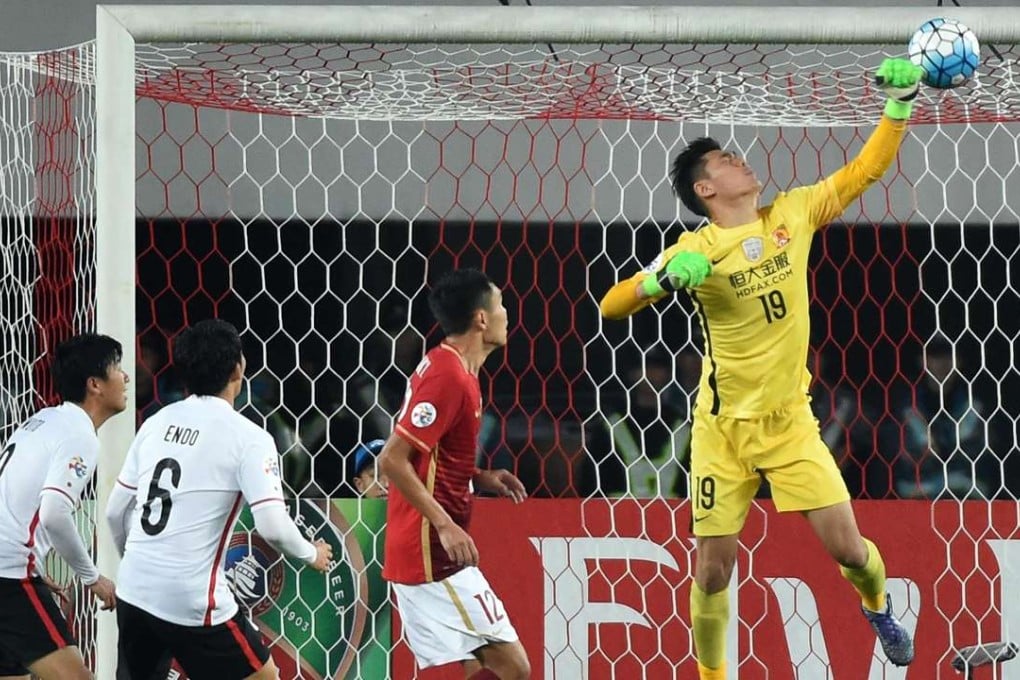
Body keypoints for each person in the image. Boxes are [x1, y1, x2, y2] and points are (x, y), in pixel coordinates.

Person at [599, 58, 923, 678]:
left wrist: (900, 103)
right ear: (705, 190)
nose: (740, 161)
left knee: (851, 553)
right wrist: (660, 281)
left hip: (790, 424)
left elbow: (865, 171)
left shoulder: (792, 215)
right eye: (724, 160)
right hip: (721, 432)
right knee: (714, 567)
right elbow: (611, 305)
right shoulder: (695, 248)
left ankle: (878, 608)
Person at [105, 319, 333, 680]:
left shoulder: (155, 423)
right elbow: (272, 525)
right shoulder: (249, 437)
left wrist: (141, 566)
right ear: (238, 368)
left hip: (134, 587)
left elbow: (115, 511)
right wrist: (311, 553)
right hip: (194, 601)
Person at [379, 268, 530, 680]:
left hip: (424, 548)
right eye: (500, 305)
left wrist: (478, 475)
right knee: (512, 667)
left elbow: (433, 454)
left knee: (467, 666)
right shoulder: (449, 377)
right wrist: (445, 526)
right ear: (481, 318)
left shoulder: (451, 365)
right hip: (431, 551)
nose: (506, 313)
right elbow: (392, 460)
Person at [0, 333, 126, 680]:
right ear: (95, 384)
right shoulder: (78, 434)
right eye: (117, 368)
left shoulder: (41, 421)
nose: (126, 378)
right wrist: (92, 578)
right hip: (9, 576)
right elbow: (55, 512)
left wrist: (36, 567)